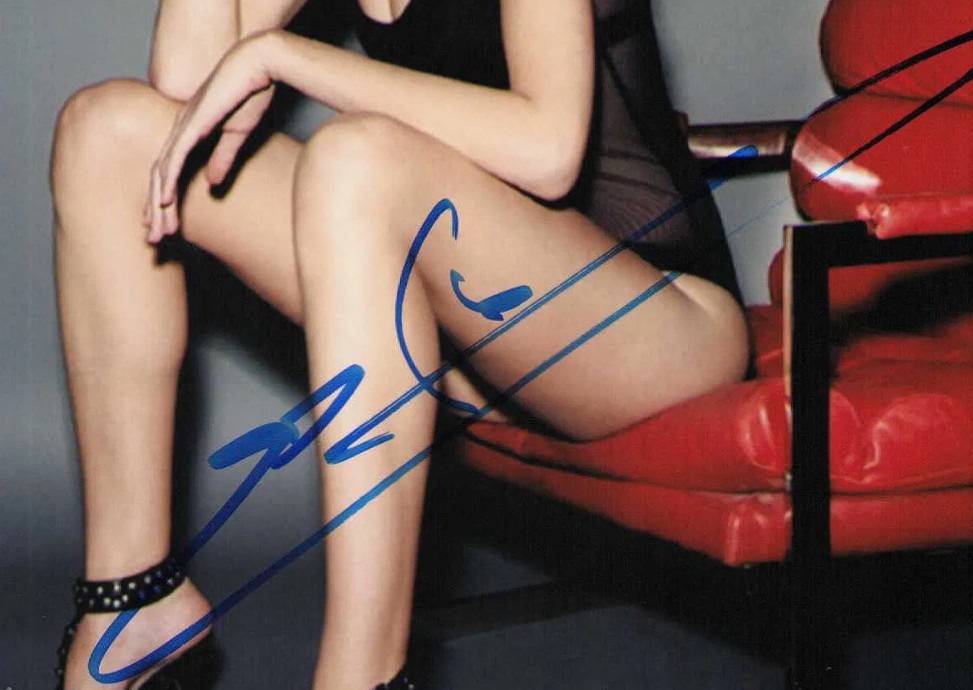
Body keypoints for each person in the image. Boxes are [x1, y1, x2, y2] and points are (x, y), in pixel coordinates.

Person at [49, 0, 750, 687]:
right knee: (106, 133)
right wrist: (254, 53)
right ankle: (133, 609)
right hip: (481, 337)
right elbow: (186, 83)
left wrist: (282, 55)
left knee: (357, 160)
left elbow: (549, 149)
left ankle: (364, 675)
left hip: (653, 329)